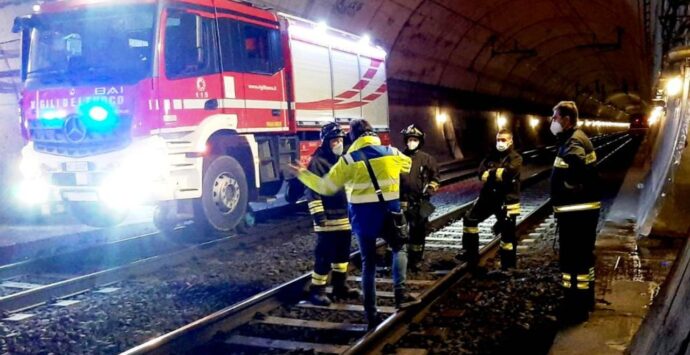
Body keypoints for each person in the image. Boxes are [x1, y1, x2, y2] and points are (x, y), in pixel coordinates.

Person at [290, 119, 417, 330]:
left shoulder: (347, 161)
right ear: (372, 132)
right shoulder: (392, 152)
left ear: (351, 137)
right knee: (399, 249)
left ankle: (371, 313)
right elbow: (408, 165)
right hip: (389, 213)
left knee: (368, 264)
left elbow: (325, 187)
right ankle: (401, 294)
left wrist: (302, 174)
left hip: (362, 218)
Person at [550, 101, 601, 324]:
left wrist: (565, 192)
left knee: (573, 262)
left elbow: (577, 171)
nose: (552, 121)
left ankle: (575, 308)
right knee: (584, 259)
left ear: (567, 119)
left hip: (576, 213)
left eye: (555, 117)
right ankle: (586, 300)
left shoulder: (573, 143)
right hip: (581, 211)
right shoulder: (577, 137)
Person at [305, 122, 360, 306]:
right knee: (324, 255)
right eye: (334, 140)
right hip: (327, 218)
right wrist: (319, 214)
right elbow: (312, 191)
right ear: (326, 142)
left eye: (340, 140)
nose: (338, 144)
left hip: (345, 217)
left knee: (342, 254)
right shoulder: (317, 162)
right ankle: (317, 290)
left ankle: (340, 286)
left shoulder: (344, 160)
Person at [456, 129, 522, 271]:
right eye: (498, 139)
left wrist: (492, 173)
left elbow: (507, 174)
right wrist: (496, 173)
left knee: (507, 235)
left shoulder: (516, 158)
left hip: (506, 201)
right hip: (488, 198)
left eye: (503, 140)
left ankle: (508, 265)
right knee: (469, 219)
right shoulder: (490, 157)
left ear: (510, 141)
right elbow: (481, 174)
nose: (500, 142)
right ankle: (470, 253)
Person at [400, 124, 440, 271]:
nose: (412, 142)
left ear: (420, 141)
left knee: (418, 232)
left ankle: (415, 260)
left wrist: (429, 190)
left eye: (415, 140)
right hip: (402, 202)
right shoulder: (399, 157)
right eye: (409, 139)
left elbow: (435, 179)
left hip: (419, 202)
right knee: (400, 233)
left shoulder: (427, 159)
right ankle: (401, 259)